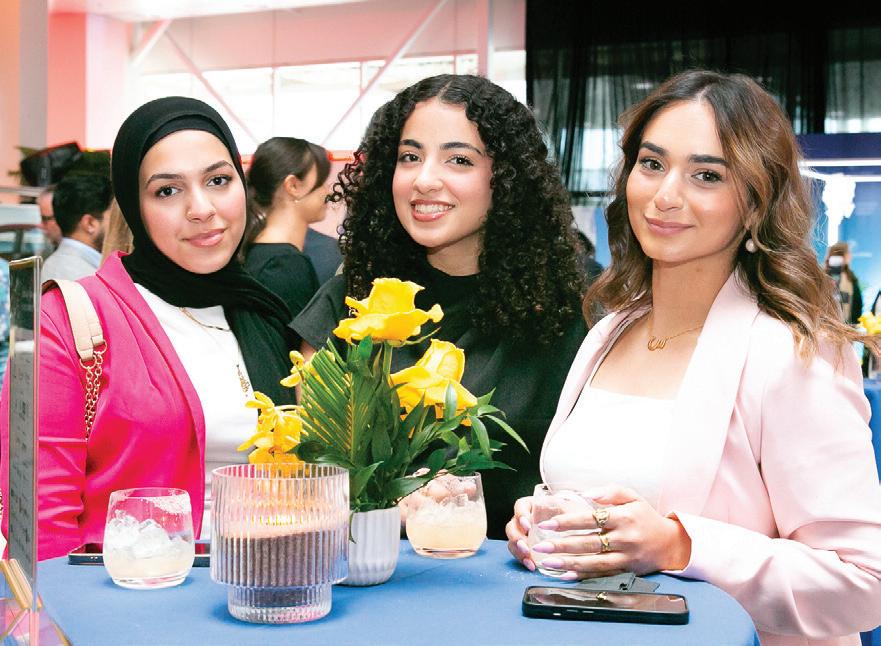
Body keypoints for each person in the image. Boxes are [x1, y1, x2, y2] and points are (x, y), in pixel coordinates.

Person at [505, 70, 881, 645]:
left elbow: (863, 580)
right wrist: (544, 524)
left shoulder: (790, 354)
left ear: (755, 203)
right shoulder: (608, 332)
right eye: (652, 164)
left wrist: (681, 545)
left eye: (706, 175)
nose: (665, 195)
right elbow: (598, 499)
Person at [1, 96, 296, 560]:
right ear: (133, 206)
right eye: (167, 191)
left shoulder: (265, 313)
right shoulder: (69, 318)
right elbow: (41, 526)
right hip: (134, 593)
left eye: (218, 180)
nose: (202, 208)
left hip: (270, 581)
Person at [293, 74, 587, 539]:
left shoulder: (572, 315)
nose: (425, 180)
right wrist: (391, 505)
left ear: (508, 178)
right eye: (409, 157)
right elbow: (314, 474)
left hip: (517, 571)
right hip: (373, 570)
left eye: (459, 160)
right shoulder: (349, 305)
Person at [242, 137, 329, 331]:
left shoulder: (255, 255)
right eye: (321, 181)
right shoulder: (284, 266)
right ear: (293, 186)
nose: (327, 191)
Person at [42, 174, 112, 282]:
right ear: (90, 223)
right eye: (114, 217)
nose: (119, 225)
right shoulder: (83, 277)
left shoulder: (61, 265)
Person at [825, 241, 863, 325]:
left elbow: (857, 304)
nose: (850, 256)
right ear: (841, 255)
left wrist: (854, 324)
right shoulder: (824, 276)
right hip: (827, 325)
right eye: (848, 252)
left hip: (848, 324)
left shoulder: (850, 277)